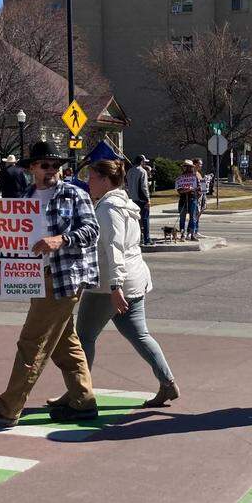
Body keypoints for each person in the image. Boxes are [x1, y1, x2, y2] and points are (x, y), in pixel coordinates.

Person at [0, 141, 102, 426]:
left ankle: (9, 408)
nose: (52, 170)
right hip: (35, 278)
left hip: (63, 277)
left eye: (56, 165)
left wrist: (61, 239)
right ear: (32, 168)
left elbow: (92, 230)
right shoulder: (25, 199)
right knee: (65, 344)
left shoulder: (73, 194)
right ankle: (83, 402)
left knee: (32, 342)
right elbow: (12, 239)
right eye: (45, 165)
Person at [76, 160, 178, 407]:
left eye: (91, 177)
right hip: (133, 280)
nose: (88, 183)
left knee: (83, 338)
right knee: (139, 335)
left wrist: (115, 286)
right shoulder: (126, 204)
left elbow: (115, 248)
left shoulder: (108, 208)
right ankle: (167, 383)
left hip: (110, 285)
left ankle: (79, 393)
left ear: (105, 180)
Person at [126, 155, 151, 246]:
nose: (145, 163)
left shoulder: (129, 171)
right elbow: (144, 187)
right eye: (144, 162)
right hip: (141, 198)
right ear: (141, 162)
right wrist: (148, 199)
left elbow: (127, 184)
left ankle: (137, 238)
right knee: (145, 219)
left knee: (135, 220)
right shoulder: (142, 171)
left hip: (131, 198)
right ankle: (147, 239)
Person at [175, 160, 201, 241]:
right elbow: (179, 190)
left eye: (189, 167)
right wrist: (186, 190)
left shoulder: (195, 177)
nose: (188, 168)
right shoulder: (180, 178)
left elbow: (200, 188)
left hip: (193, 198)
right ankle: (182, 234)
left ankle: (191, 234)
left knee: (193, 217)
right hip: (183, 199)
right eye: (186, 166)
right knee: (182, 218)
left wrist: (197, 192)